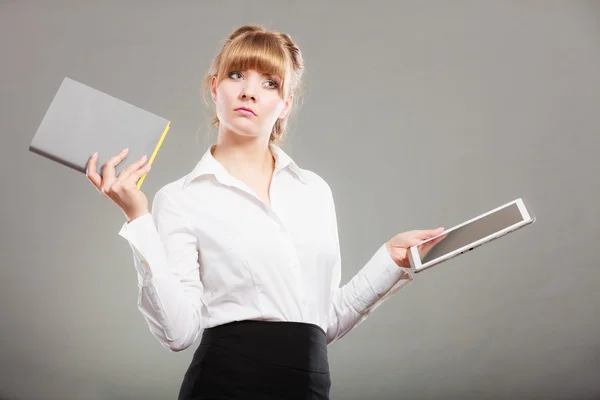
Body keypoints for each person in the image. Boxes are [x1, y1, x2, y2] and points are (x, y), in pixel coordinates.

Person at [86, 24, 444, 400]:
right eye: (236, 75)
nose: (248, 92)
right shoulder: (180, 198)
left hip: (308, 388)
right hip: (224, 386)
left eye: (269, 83)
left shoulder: (314, 191)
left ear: (285, 103)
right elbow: (178, 333)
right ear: (214, 87)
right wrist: (138, 219)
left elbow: (322, 323)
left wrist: (392, 261)